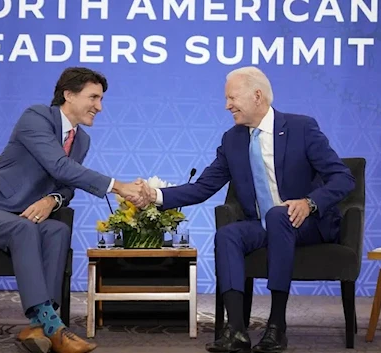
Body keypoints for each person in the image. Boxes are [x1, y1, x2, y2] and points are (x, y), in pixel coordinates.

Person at [141, 66, 355, 353]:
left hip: (308, 223)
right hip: (265, 225)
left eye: (232, 97)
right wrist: (154, 196)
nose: (227, 105)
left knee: (279, 214)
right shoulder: (233, 139)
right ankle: (237, 330)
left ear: (257, 96)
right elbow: (203, 187)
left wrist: (309, 203)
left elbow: (343, 178)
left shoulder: (301, 128)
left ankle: (277, 326)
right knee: (228, 235)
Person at [0, 67, 149, 353]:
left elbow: (66, 184)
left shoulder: (81, 140)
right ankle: (54, 327)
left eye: (101, 99)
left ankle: (39, 325)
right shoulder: (36, 117)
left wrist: (52, 200)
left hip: (19, 216)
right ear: (68, 94)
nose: (99, 107)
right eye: (93, 97)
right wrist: (119, 186)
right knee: (23, 228)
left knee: (57, 229)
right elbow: (60, 166)